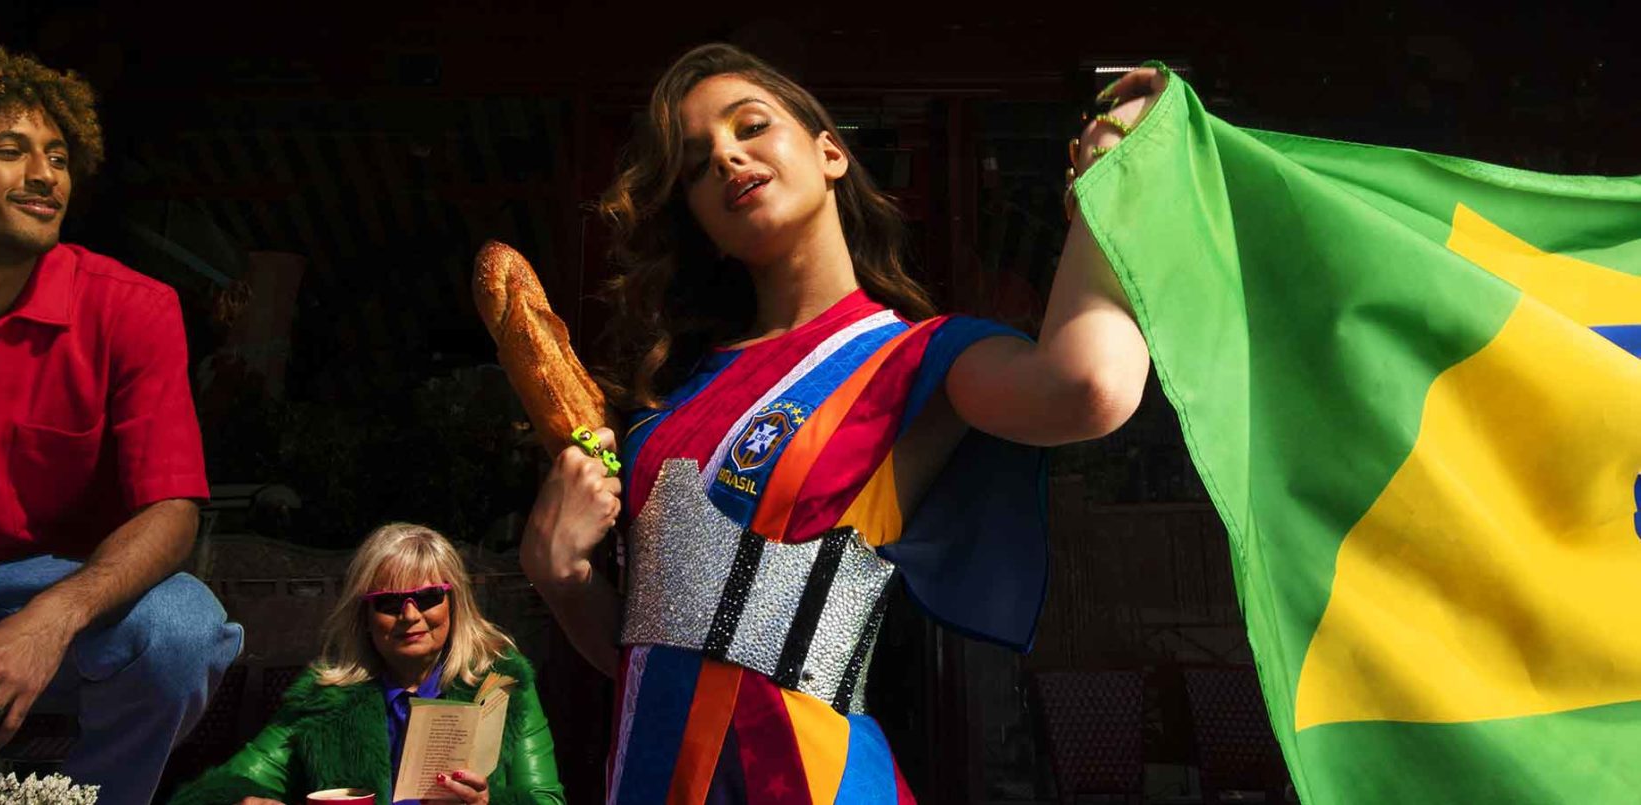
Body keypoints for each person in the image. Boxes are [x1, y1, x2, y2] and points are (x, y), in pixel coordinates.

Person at [520, 43, 1161, 803]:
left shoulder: (914, 357)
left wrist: (1107, 191)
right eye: (696, 164)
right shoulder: (667, 409)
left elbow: (1088, 386)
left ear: (831, 153)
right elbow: (651, 655)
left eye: (750, 126)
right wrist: (560, 580)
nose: (726, 157)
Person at [0, 46, 241, 804]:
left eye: (59, 156)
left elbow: (171, 509)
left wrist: (53, 615)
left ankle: (83, 799)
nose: (45, 175)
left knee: (183, 628)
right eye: (10, 150)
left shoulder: (132, 306)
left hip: (64, 590)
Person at [170, 523, 566, 805]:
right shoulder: (326, 699)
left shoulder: (499, 684)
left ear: (455, 603)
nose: (410, 616)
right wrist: (242, 802)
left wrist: (486, 804)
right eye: (390, 602)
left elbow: (546, 800)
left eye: (428, 597)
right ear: (364, 615)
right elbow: (219, 788)